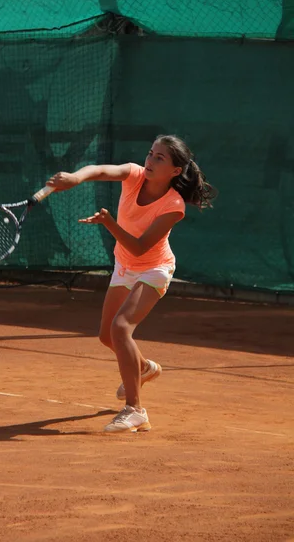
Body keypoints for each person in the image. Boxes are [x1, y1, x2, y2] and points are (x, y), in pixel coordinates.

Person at [46, 135, 216, 433]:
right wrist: (75, 177)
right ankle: (144, 367)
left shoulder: (174, 205)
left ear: (176, 171)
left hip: (154, 269)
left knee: (121, 328)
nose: (150, 161)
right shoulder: (135, 174)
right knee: (106, 335)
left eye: (159, 158)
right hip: (124, 266)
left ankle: (135, 410)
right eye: (151, 154)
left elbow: (140, 248)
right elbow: (99, 170)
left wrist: (110, 223)